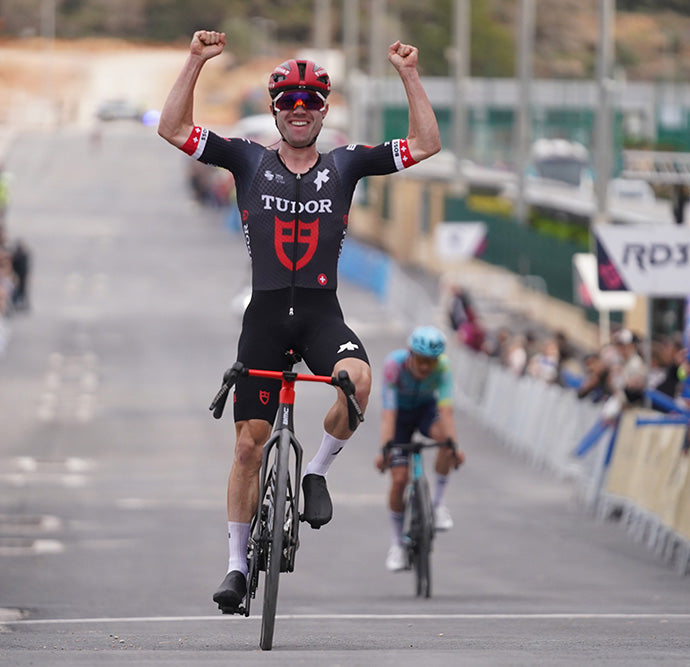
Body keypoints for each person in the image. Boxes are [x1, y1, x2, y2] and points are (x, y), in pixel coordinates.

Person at [157, 30, 441, 610]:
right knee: (246, 449)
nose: (299, 110)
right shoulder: (246, 158)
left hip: (320, 314)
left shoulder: (346, 165)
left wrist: (409, 74)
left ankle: (315, 472)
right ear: (275, 110)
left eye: (310, 102)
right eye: (288, 102)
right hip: (264, 316)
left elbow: (426, 143)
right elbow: (173, 129)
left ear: (323, 111)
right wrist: (194, 61)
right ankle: (236, 568)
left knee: (358, 379)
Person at [374, 326, 464, 571]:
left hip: (425, 412)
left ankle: (437, 505)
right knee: (400, 479)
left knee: (446, 443)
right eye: (422, 360)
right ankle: (397, 545)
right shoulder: (394, 365)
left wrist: (454, 445)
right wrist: (385, 450)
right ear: (410, 354)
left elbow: (446, 410)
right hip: (399, 417)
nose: (426, 368)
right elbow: (388, 414)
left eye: (431, 362)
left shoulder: (443, 368)